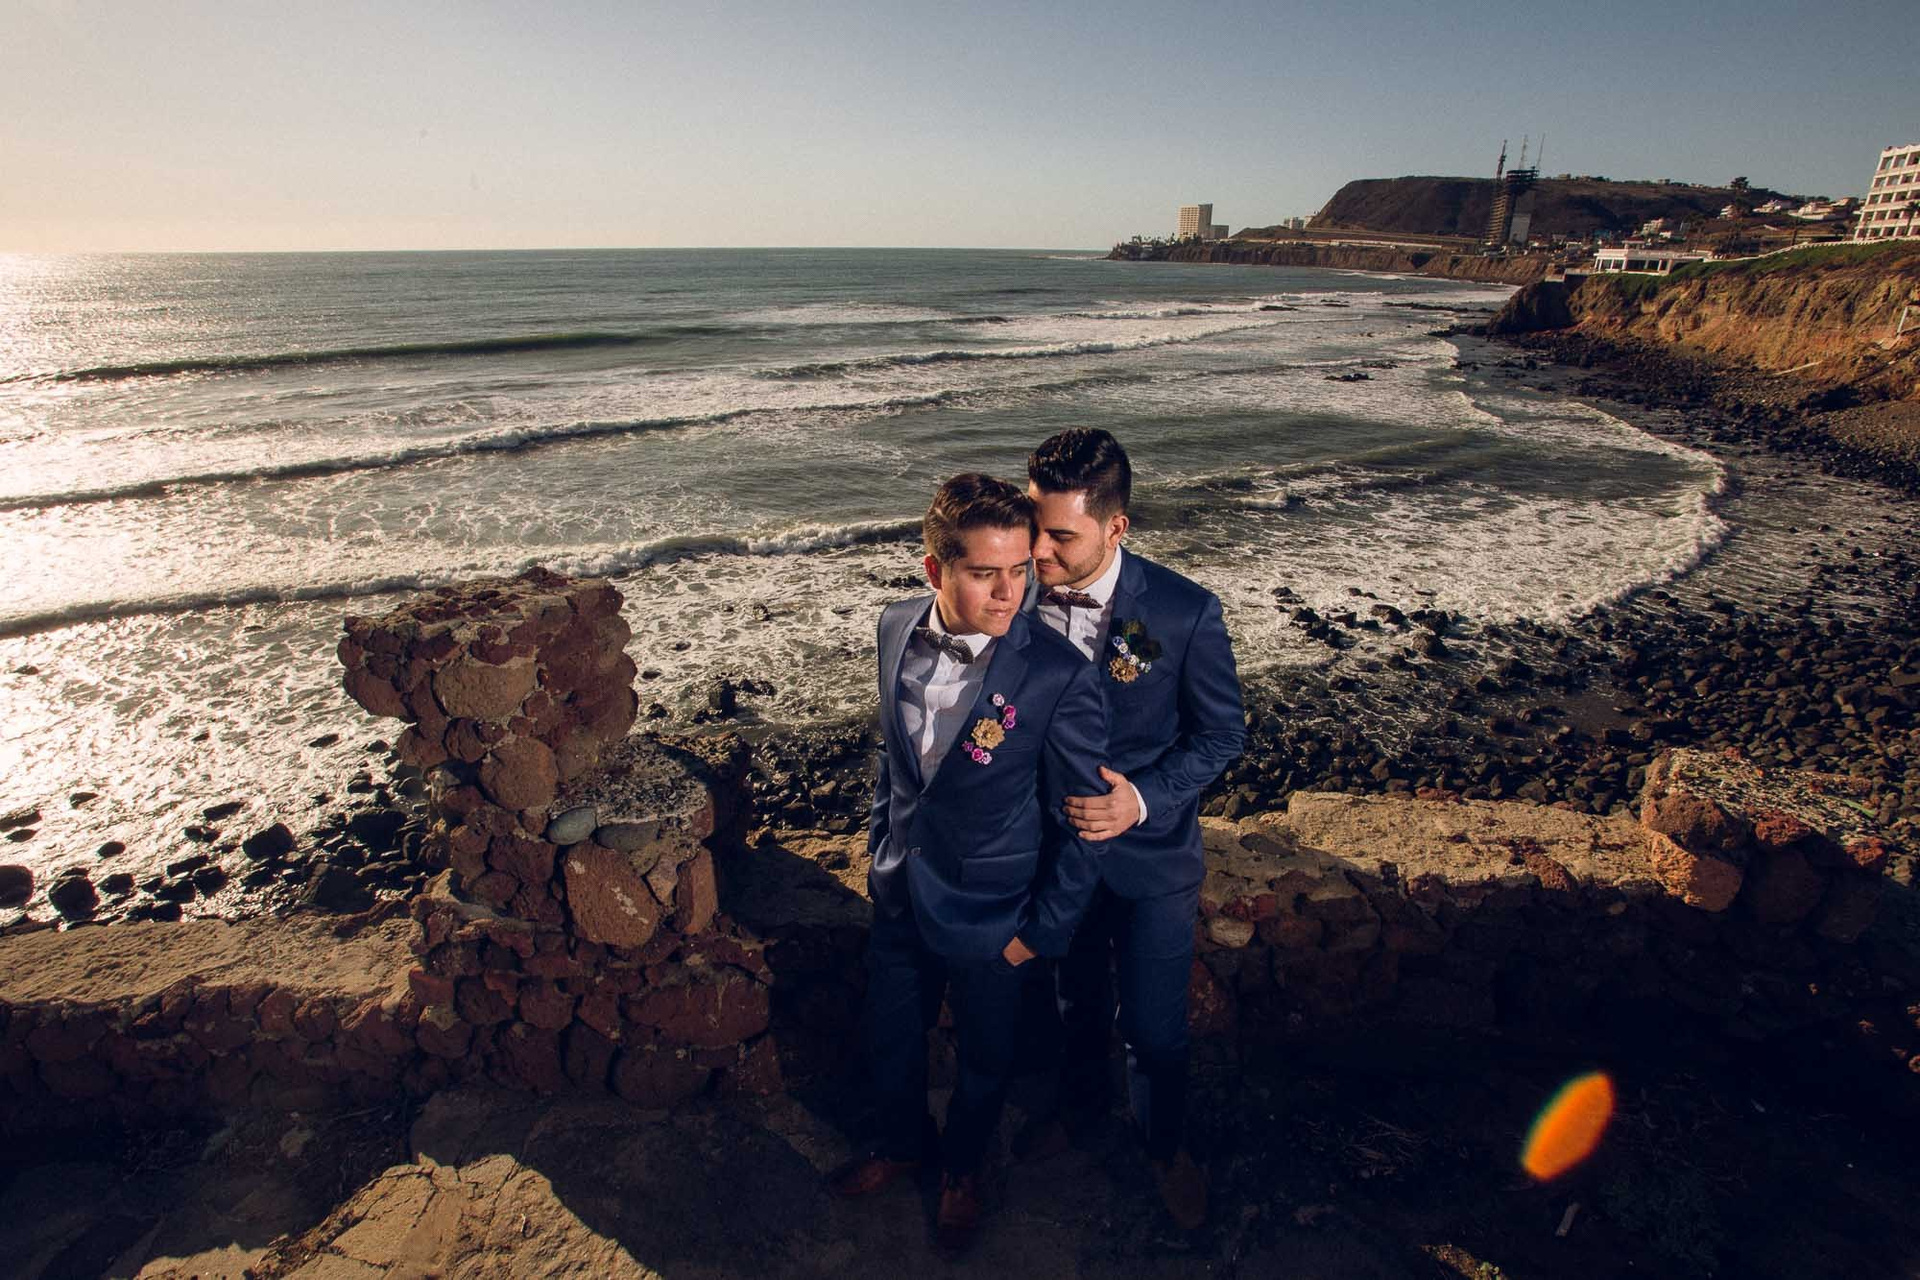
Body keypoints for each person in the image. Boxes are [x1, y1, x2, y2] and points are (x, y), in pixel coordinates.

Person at [832, 472, 1110, 1254]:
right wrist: (881, 850)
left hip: (997, 917)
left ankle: (962, 1170)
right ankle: (899, 1144)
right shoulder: (893, 626)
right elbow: (894, 762)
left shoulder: (1056, 672)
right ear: (935, 569)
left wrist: (1039, 935)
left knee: (987, 1061)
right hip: (900, 893)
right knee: (892, 1038)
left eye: (1020, 570)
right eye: (986, 573)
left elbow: (1087, 823)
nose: (1009, 593)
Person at [1023, 427, 1245, 1229]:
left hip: (1153, 863)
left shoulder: (1184, 612)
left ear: (1116, 527)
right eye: (1034, 525)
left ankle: (1164, 1146)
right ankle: (1081, 1113)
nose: (1037, 550)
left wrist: (1142, 800)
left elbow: (1221, 736)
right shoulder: (1014, 597)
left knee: (1153, 1026)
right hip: (1053, 858)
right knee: (1074, 1006)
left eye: (1060, 535)